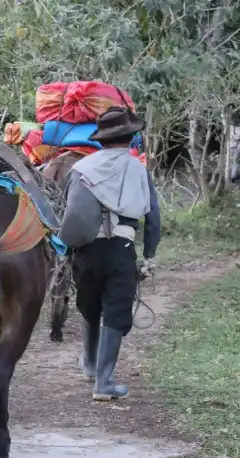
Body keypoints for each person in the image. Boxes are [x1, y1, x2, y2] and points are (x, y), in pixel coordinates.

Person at [63, 106, 161, 401]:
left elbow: (67, 212)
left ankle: (90, 364)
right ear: (131, 137)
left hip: (86, 249)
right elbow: (153, 217)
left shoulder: (80, 170)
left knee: (90, 305)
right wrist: (150, 255)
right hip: (122, 249)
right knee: (116, 311)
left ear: (101, 139)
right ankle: (104, 383)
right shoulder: (138, 170)